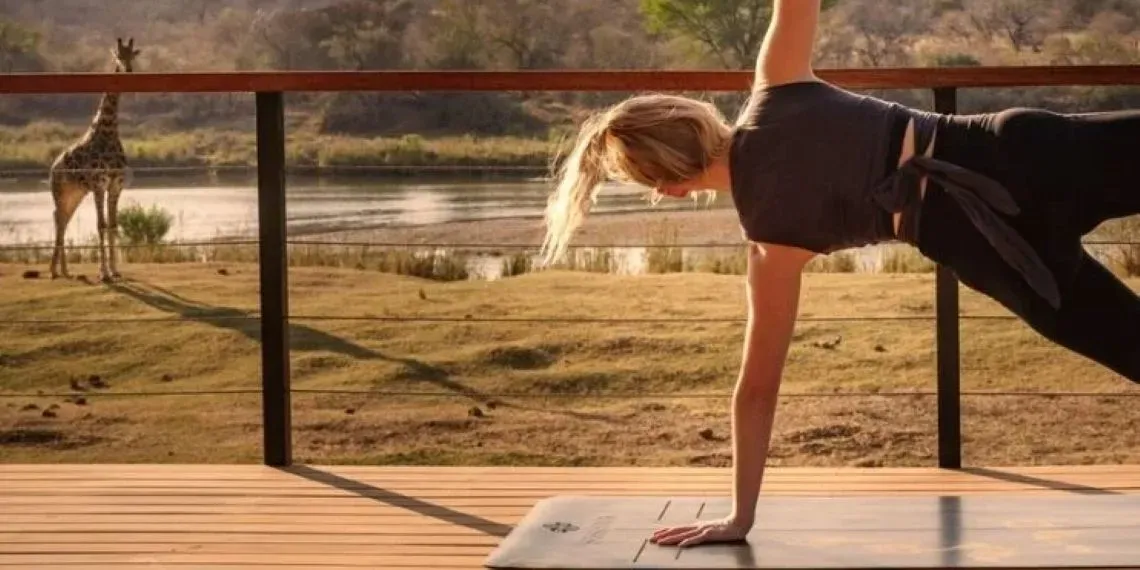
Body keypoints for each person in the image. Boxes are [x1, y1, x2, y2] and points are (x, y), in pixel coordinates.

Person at [538, 0, 1140, 550]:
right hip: (1022, 150)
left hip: (991, 249)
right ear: (694, 115)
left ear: (668, 191)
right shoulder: (777, 82)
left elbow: (756, 393)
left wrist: (739, 517)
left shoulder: (772, 246)